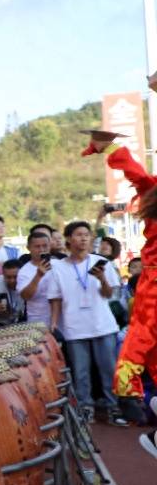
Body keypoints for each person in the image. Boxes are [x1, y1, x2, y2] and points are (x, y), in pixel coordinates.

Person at [84, 131, 157, 447]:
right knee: (146, 332)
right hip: (155, 285)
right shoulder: (152, 190)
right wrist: (110, 146)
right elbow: (136, 173)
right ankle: (129, 387)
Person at [52, 220, 126, 426]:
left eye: (86, 234)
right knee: (81, 372)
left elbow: (109, 294)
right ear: (68, 238)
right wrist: (54, 325)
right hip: (75, 328)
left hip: (103, 325)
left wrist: (102, 278)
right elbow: (55, 298)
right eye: (78, 234)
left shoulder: (102, 263)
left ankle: (113, 408)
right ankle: (86, 408)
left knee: (108, 369)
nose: (83, 238)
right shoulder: (59, 268)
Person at [15, 230, 62, 329]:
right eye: (37, 246)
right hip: (38, 322)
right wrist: (38, 276)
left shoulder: (59, 265)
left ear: (50, 246)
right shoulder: (24, 271)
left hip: (62, 319)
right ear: (29, 248)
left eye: (45, 245)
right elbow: (25, 296)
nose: (42, 249)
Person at [0, 258, 26, 326]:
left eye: (15, 277)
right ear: (3, 275)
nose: (12, 280)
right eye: (8, 277)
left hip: (23, 319)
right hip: (1, 322)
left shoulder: (28, 282)